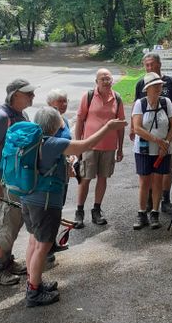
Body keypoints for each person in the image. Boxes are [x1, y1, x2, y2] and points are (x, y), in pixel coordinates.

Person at [21, 107, 127, 307]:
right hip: (45, 202)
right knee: (43, 246)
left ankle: (33, 282)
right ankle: (34, 293)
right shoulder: (53, 142)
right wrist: (108, 127)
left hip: (28, 198)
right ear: (54, 125)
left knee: (34, 243)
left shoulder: (33, 140)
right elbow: (86, 145)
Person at [0, 79, 36, 286]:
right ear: (15, 95)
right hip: (6, 181)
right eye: (28, 93)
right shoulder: (1, 117)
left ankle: (7, 261)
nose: (32, 96)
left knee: (14, 223)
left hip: (18, 181)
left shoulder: (20, 115)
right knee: (6, 224)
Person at [132, 51, 172, 213]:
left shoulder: (171, 83)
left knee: (166, 167)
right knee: (147, 170)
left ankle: (165, 199)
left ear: (159, 65)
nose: (148, 68)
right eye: (146, 65)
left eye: (151, 65)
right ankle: (149, 200)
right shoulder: (141, 83)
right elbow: (136, 108)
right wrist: (132, 128)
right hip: (148, 136)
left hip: (168, 133)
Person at [74, 68, 125, 227]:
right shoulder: (88, 96)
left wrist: (120, 148)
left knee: (103, 178)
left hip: (109, 147)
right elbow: (80, 121)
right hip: (89, 145)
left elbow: (121, 125)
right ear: (96, 81)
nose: (106, 81)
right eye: (103, 78)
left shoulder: (117, 98)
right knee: (86, 178)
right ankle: (79, 211)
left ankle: (96, 210)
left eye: (109, 78)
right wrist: (78, 145)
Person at [132, 72, 172, 230]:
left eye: (160, 85)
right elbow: (137, 128)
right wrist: (158, 140)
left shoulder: (166, 103)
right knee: (144, 182)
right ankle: (142, 213)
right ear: (147, 89)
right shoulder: (140, 103)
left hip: (162, 151)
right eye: (155, 86)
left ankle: (155, 213)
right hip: (144, 149)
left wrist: (166, 143)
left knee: (158, 181)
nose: (159, 88)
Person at [46, 89, 73, 260]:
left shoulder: (65, 120)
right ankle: (45, 248)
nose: (63, 104)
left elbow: (67, 143)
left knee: (58, 208)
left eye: (65, 101)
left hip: (63, 170)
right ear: (50, 104)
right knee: (49, 210)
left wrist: (70, 159)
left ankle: (52, 243)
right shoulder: (48, 121)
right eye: (59, 102)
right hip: (50, 173)